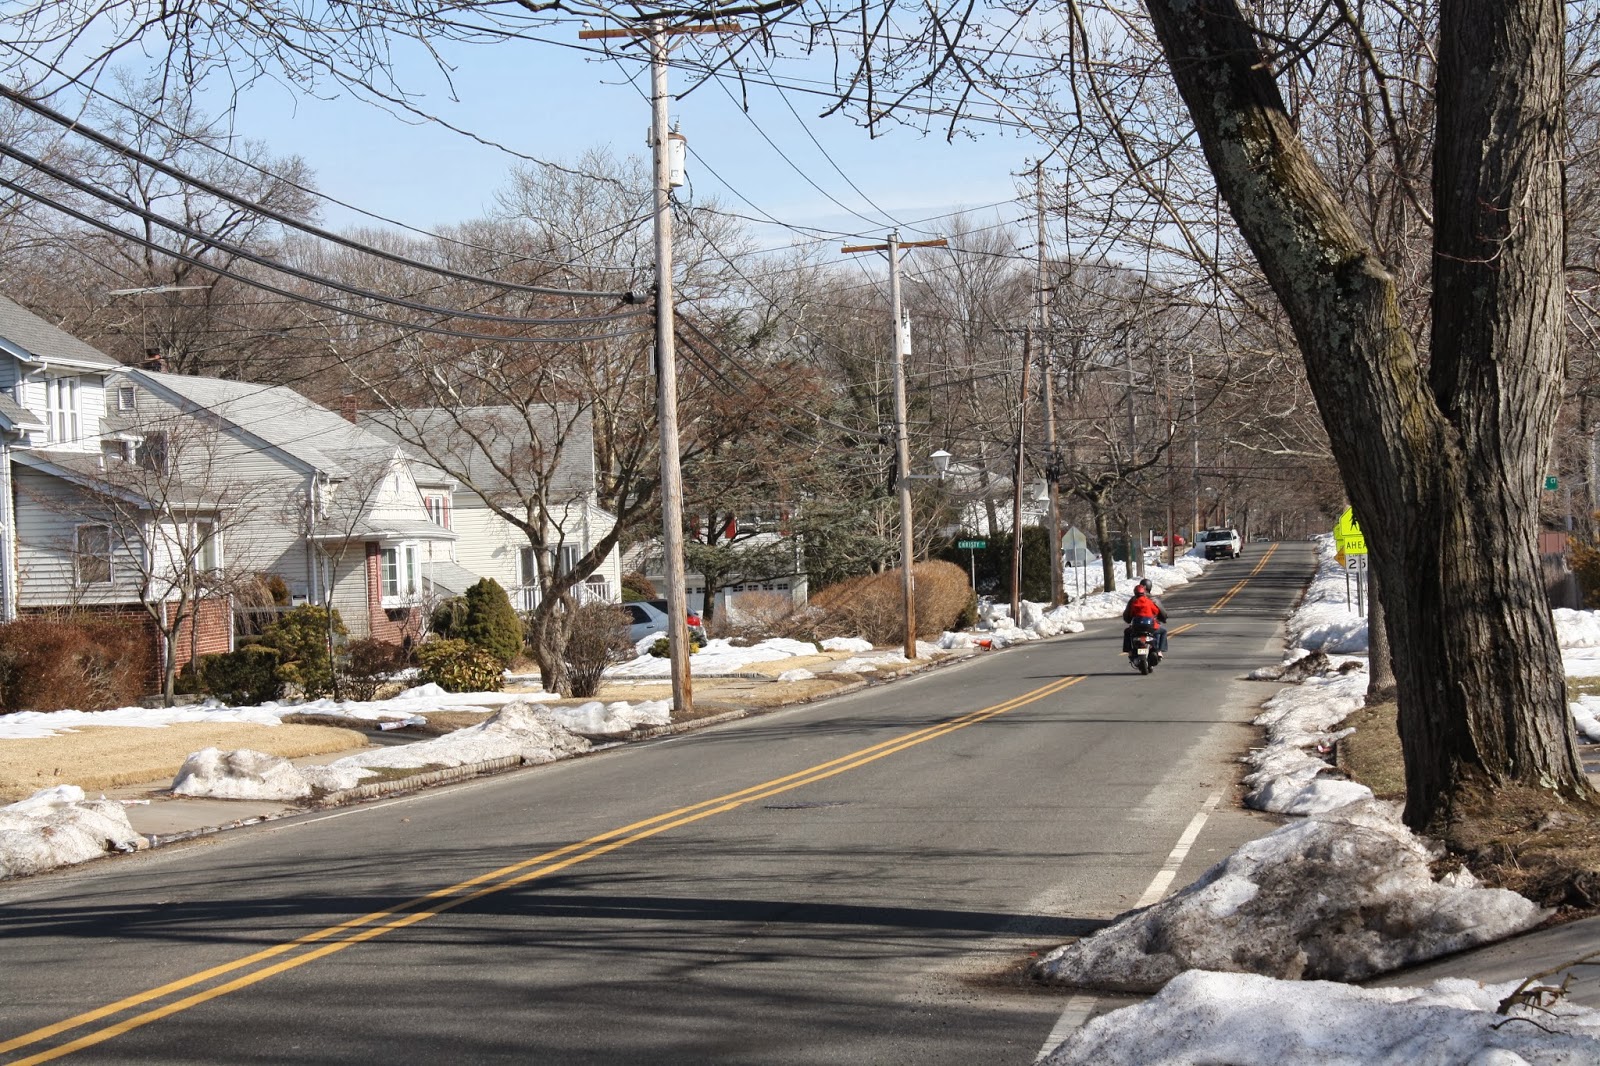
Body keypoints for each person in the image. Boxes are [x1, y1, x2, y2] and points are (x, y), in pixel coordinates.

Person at [1122, 579, 1169, 654]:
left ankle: (1129, 650)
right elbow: (1160, 612)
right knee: (1161, 631)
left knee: (1128, 632)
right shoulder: (1152, 599)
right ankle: (1159, 650)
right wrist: (1163, 618)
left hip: (1136, 627)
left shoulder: (1133, 601)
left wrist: (1129, 619)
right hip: (1150, 626)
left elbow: (1128, 613)